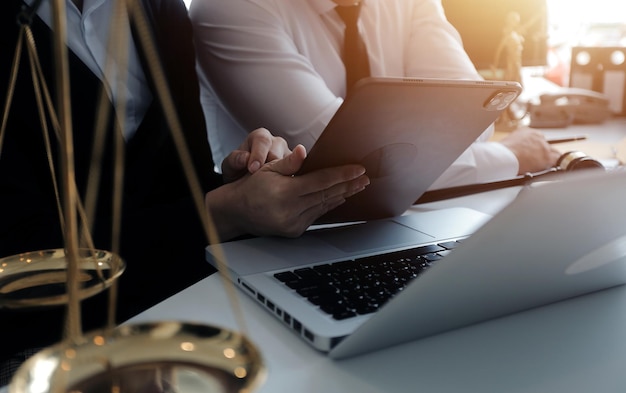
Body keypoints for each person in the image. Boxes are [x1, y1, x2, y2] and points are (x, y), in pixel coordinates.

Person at [0, 0, 368, 385]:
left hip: (171, 295)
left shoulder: (159, 9)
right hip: (45, 339)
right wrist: (223, 212)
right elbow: (18, 253)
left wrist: (242, 180)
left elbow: (178, 180)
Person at [189, 0, 562, 189]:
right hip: (283, 241)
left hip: (415, 216)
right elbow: (352, 161)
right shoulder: (231, 7)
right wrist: (508, 156)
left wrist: (421, 143)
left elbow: (472, 113)